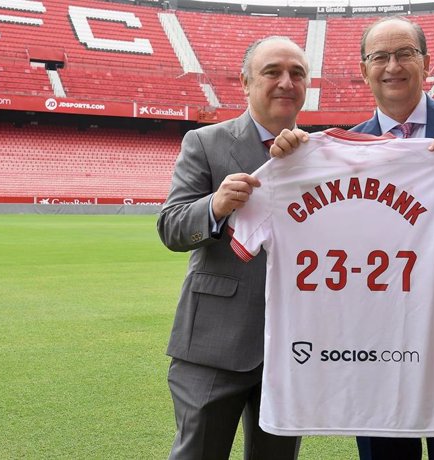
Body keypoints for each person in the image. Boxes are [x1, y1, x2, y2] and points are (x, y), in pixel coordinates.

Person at [270, 16, 434, 460]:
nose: (392, 66)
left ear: (426, 63)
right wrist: (293, 163)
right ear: (364, 69)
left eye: (404, 54)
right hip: (377, 341)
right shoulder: (341, 148)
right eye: (380, 57)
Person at [157, 36, 308, 460]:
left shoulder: (317, 155)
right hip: (212, 343)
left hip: (290, 348)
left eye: (297, 73)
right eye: (272, 72)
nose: (286, 82)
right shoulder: (204, 143)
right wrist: (215, 207)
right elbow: (170, 227)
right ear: (245, 82)